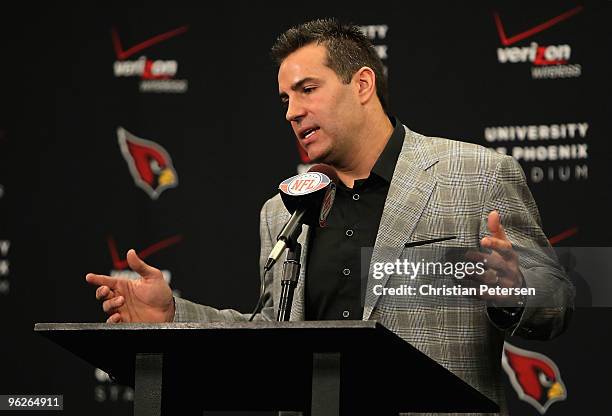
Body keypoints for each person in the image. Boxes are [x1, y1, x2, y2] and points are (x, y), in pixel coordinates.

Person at [86, 18, 574, 415]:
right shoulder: (282, 211)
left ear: (362, 84)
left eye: (307, 89)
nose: (292, 112)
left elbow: (558, 301)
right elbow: (269, 336)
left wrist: (517, 289)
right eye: (285, 99)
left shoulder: (477, 174)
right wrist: (173, 316)